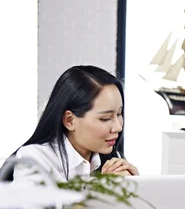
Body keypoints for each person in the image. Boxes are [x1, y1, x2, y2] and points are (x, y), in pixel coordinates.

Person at [5, 65, 138, 183]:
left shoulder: (111, 159)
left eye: (119, 114)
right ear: (70, 120)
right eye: (105, 118)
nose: (118, 127)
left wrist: (137, 186)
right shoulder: (34, 159)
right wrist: (102, 189)